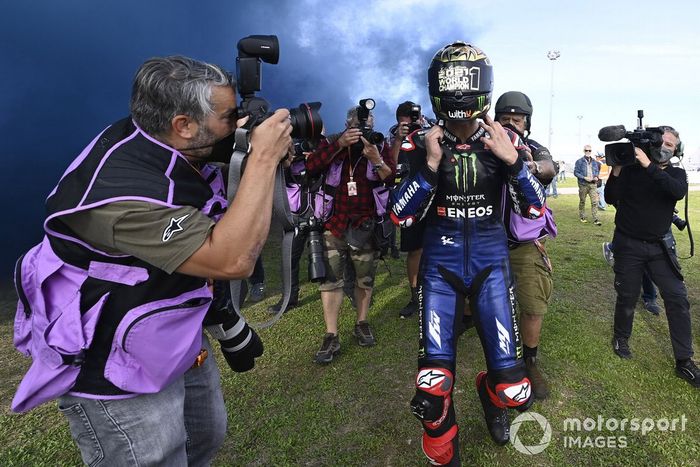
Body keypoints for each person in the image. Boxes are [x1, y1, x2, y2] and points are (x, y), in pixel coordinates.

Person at [11, 56, 292, 464]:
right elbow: (232, 260)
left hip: (169, 329)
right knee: (155, 457)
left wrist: (244, 153)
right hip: (113, 359)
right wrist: (262, 160)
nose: (238, 127)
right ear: (184, 125)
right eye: (230, 117)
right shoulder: (125, 194)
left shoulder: (164, 142)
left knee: (204, 439)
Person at [392, 42, 545, 465]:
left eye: (466, 81)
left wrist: (513, 161)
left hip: (491, 266)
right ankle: (447, 453)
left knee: (514, 390)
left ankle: (488, 391)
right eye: (450, 81)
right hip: (439, 270)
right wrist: (429, 166)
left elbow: (534, 209)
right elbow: (401, 218)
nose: (458, 92)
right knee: (431, 388)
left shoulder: (505, 137)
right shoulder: (420, 143)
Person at [605, 126, 699, 387]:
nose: (666, 147)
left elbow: (675, 191)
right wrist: (617, 169)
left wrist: (648, 165)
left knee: (677, 298)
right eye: (663, 141)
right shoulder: (633, 169)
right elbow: (611, 197)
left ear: (676, 149)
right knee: (627, 296)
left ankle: (684, 361)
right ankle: (621, 337)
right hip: (628, 245)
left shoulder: (677, 173)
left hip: (659, 247)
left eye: (671, 144)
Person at [305, 104, 395, 364]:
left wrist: (375, 159)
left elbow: (390, 178)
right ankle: (331, 334)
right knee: (330, 280)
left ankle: (362, 321)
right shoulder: (334, 141)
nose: (364, 128)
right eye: (357, 123)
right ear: (347, 124)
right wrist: (339, 145)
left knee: (364, 279)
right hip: (334, 224)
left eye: (368, 123)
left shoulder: (379, 144)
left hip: (365, 224)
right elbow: (311, 166)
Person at [495, 91, 558, 400]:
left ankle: (529, 361)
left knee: (532, 304)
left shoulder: (532, 148)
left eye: (516, 120)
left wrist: (523, 163)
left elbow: (549, 168)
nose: (510, 124)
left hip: (524, 243)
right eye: (504, 119)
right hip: (487, 241)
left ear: (526, 123)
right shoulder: (485, 145)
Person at [389, 101, 433, 318]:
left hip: (435, 193)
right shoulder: (394, 134)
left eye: (415, 116)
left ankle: (439, 294)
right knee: (415, 249)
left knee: (440, 245)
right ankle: (415, 296)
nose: (413, 121)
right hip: (409, 198)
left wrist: (427, 127)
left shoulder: (432, 127)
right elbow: (390, 163)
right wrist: (399, 137)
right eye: (407, 119)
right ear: (399, 121)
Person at [574, 144, 602, 225]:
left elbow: (596, 171)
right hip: (583, 184)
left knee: (595, 202)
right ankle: (582, 217)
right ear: (584, 151)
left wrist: (596, 176)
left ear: (591, 151)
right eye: (586, 150)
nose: (588, 152)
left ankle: (596, 219)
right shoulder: (579, 161)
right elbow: (576, 173)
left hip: (593, 184)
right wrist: (584, 177)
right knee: (582, 201)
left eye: (589, 150)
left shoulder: (594, 162)